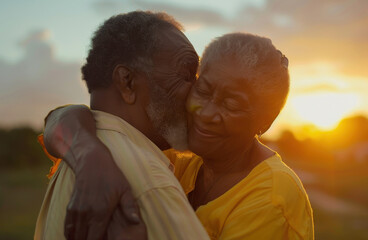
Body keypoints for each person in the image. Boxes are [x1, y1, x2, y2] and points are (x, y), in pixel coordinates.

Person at [42, 34, 314, 239]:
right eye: (203, 91)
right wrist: (89, 154)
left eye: (231, 105)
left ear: (264, 123)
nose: (206, 113)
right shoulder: (184, 163)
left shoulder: (271, 197)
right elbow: (60, 119)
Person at [34, 11, 210, 240]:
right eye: (186, 75)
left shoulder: (83, 153)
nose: (198, 96)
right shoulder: (149, 182)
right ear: (127, 82)